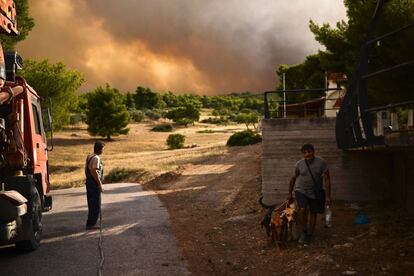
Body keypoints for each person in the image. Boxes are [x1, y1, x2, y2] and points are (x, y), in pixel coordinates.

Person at [288, 143, 331, 244]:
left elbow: (327, 180)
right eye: (305, 153)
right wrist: (289, 193)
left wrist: (328, 196)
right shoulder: (299, 164)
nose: (307, 154)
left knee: (313, 212)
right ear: (303, 154)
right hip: (301, 190)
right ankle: (304, 231)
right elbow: (293, 178)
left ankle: (310, 234)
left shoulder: (321, 163)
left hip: (315, 191)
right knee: (302, 209)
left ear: (313, 151)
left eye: (309, 151)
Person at [85, 141, 105, 230]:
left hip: (89, 182)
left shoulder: (90, 156)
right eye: (103, 148)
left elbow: (86, 169)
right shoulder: (96, 158)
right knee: (95, 204)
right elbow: (94, 171)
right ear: (100, 149)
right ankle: (91, 225)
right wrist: (99, 184)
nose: (103, 150)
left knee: (91, 203)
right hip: (94, 184)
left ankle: (90, 223)